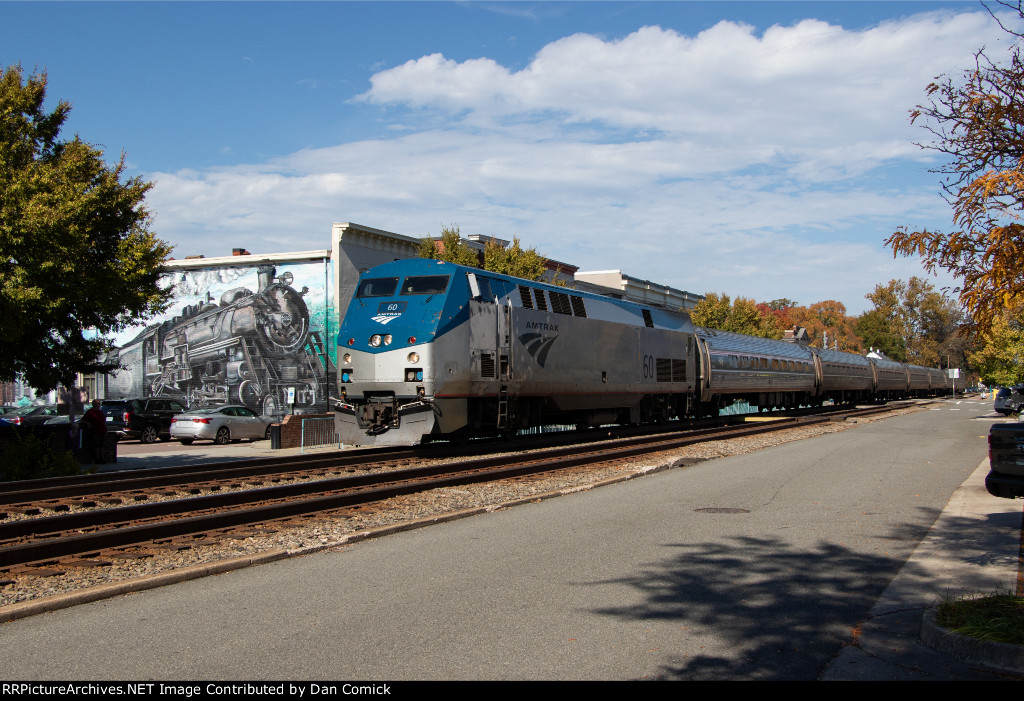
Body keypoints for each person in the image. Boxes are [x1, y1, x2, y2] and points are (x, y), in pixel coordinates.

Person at [80, 399, 107, 464]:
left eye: (99, 404)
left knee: (102, 445)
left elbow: (103, 421)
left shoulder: (100, 412)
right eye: (98, 404)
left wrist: (106, 429)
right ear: (94, 404)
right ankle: (98, 459)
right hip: (95, 431)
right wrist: (88, 423)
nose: (99, 405)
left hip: (102, 430)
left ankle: (102, 458)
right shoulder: (90, 412)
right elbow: (83, 420)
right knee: (97, 445)